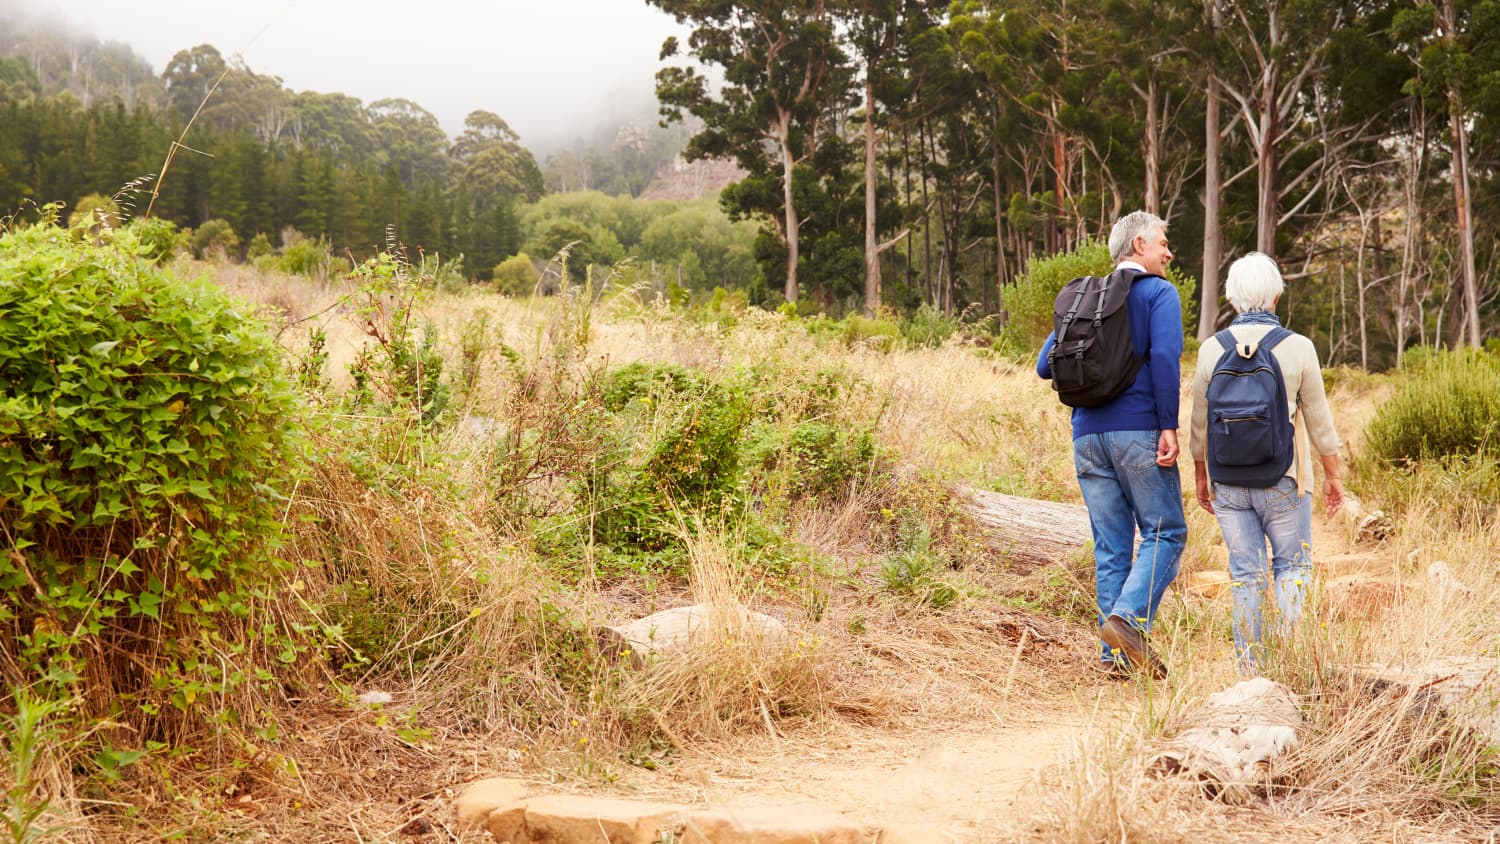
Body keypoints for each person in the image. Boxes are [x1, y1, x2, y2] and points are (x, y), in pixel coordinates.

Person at [1037, 211, 1186, 679]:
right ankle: (1127, 621)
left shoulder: (1086, 297)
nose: (1168, 252)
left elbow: (1045, 364)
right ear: (1139, 244)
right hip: (1138, 430)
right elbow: (1164, 356)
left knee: (1112, 547)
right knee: (1167, 532)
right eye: (1163, 243)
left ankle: (1116, 661)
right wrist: (1168, 424)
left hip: (1086, 437)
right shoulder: (1158, 293)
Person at [1189, 252, 1344, 673]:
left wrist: (1201, 476)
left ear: (1232, 297)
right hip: (1285, 479)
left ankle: (1249, 675)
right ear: (1276, 295)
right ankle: (1295, 668)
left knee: (1246, 576)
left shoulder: (1210, 349)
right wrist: (1333, 476)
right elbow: (1319, 419)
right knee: (1292, 567)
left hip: (1228, 484)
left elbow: (1199, 423)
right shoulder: (1298, 347)